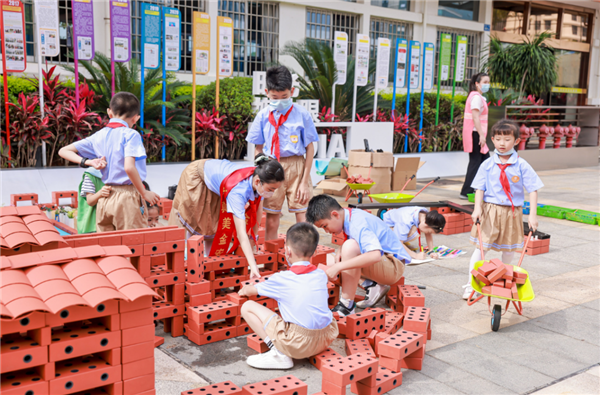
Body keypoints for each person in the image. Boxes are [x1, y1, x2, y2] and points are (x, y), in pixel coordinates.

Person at [239, 222, 338, 369]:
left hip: (298, 344)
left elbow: (251, 291)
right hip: (326, 338)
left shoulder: (282, 278)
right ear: (315, 252)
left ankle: (278, 353)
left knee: (247, 307)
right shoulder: (320, 274)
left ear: (287, 251)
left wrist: (245, 288)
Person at [168, 154, 284, 279]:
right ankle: (190, 265)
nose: (272, 193)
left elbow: (257, 211)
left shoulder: (260, 176)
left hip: (218, 179)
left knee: (212, 222)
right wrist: (253, 265)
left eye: (275, 190)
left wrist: (254, 240)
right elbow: (241, 233)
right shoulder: (238, 192)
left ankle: (211, 268)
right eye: (271, 189)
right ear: (257, 181)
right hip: (198, 176)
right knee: (195, 220)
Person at [463, 119, 543, 300]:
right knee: (481, 247)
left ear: (515, 141)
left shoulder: (522, 165)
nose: (501, 143)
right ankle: (471, 284)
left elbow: (533, 189)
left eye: (507, 139)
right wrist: (477, 209)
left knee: (509, 248)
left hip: (512, 212)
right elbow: (479, 188)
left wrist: (532, 216)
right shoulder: (488, 164)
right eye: (498, 139)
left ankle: (502, 280)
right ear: (492, 139)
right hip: (490, 210)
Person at [59, 92, 159, 232]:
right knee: (132, 245)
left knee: (108, 246)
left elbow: (63, 151)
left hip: (106, 196)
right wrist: (144, 193)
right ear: (136, 118)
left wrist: (89, 162)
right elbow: (129, 168)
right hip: (127, 197)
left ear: (109, 112)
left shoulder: (98, 136)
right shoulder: (131, 135)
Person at [306, 195, 412, 316]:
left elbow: (375, 255)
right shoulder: (349, 215)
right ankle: (371, 285)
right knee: (327, 261)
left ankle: (346, 305)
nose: (327, 231)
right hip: (383, 262)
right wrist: (340, 254)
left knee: (349, 248)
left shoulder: (358, 222)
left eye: (325, 226)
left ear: (335, 214)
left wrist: (339, 266)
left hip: (393, 266)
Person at [246, 65, 319, 242]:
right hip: (271, 166)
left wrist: (304, 181)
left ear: (292, 91)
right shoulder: (263, 116)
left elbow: (310, 148)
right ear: (266, 93)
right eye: (274, 97)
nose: (280, 100)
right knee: (271, 220)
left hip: (297, 167)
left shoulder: (302, 114)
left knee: (303, 219)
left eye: (284, 97)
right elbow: (258, 148)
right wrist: (262, 172)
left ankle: (304, 259)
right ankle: (271, 258)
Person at [352, 207, 446, 308]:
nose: (428, 233)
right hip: (386, 225)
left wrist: (431, 250)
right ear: (426, 224)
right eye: (430, 231)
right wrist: (415, 255)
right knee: (413, 233)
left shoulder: (426, 215)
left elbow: (427, 233)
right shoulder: (406, 221)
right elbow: (398, 243)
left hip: (395, 223)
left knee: (413, 231)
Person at [460, 72, 491, 199]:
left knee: (486, 162)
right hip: (475, 133)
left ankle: (478, 189)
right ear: (477, 84)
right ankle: (467, 191)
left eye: (488, 82)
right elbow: (475, 118)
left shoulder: (477, 97)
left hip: (476, 133)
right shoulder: (476, 98)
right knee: (476, 162)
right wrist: (482, 136)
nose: (487, 85)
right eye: (484, 82)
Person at [76, 168, 111, 234]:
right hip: (92, 224)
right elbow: (90, 201)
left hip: (109, 221)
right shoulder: (91, 174)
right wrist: (100, 193)